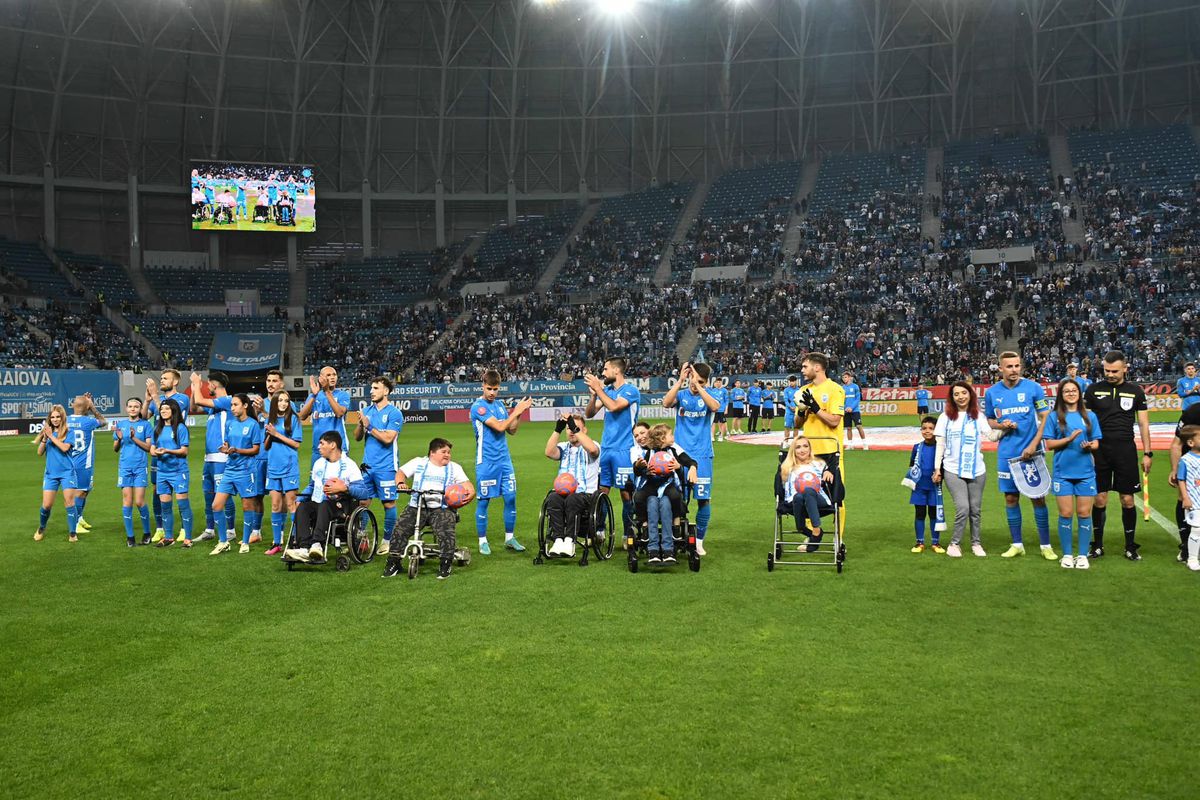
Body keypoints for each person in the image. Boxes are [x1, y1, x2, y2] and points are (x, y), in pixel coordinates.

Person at [984, 351, 1055, 560]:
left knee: (1038, 498)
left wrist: (1035, 444)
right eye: (1009, 367)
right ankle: (1017, 544)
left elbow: (1044, 416)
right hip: (1006, 453)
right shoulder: (992, 393)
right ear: (1001, 369)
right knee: (1011, 498)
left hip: (1032, 453)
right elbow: (989, 420)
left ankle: (1046, 545)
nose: (1014, 370)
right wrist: (1001, 424)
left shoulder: (1033, 388)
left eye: (1017, 366)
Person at [1083, 350, 1153, 560]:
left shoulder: (1136, 391)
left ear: (1125, 368)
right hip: (1099, 450)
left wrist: (1147, 453)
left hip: (1125, 450)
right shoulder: (1093, 390)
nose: (1110, 374)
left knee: (1127, 500)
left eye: (1114, 371)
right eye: (1107, 370)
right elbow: (1085, 421)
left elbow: (1143, 423)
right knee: (1100, 498)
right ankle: (1097, 545)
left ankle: (1130, 546)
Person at [381, 437, 474, 580]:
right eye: (444, 452)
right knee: (400, 529)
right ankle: (394, 562)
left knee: (446, 531)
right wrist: (400, 483)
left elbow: (468, 486)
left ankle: (445, 564)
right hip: (417, 506)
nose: (448, 455)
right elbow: (401, 472)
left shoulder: (454, 467)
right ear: (432, 453)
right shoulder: (419, 462)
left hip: (442, 508)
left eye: (449, 452)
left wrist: (470, 494)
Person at [1043, 379, 1102, 570]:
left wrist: (1089, 445)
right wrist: (1068, 439)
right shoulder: (1054, 417)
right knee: (1066, 513)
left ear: (1079, 393)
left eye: (1074, 390)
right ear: (1061, 394)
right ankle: (1068, 554)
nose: (1070, 393)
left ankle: (1083, 555)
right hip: (1063, 473)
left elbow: (1096, 443)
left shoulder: (1090, 417)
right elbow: (1049, 445)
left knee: (1085, 513)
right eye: (1066, 391)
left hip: (1086, 472)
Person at [471, 369, 533, 554]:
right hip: (486, 462)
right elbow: (499, 427)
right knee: (484, 501)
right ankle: (482, 541)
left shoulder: (499, 406)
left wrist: (519, 414)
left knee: (511, 498)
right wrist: (516, 410)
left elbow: (511, 430)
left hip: (504, 461)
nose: (492, 392)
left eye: (495, 389)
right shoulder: (478, 407)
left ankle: (509, 538)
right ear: (483, 386)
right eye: (489, 388)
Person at [934, 381, 998, 558]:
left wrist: (1005, 428)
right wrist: (937, 468)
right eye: (956, 394)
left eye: (964, 393)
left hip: (977, 469)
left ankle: (976, 543)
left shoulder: (978, 416)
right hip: (953, 469)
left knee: (975, 510)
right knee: (963, 508)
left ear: (970, 394)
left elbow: (992, 436)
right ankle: (954, 544)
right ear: (952, 397)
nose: (961, 396)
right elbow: (940, 444)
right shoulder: (945, 417)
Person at [287, 431, 372, 564]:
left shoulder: (349, 465)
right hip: (319, 502)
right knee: (303, 507)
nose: (318, 447)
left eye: (322, 443)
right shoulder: (319, 464)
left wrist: (345, 488)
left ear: (333, 445)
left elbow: (364, 493)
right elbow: (312, 486)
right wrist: (299, 499)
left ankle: (317, 545)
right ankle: (303, 547)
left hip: (341, 505)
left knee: (324, 505)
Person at [662, 361, 719, 555]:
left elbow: (714, 407)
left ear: (706, 382)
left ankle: (699, 541)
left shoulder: (713, 394)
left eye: (700, 381)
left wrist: (699, 385)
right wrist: (681, 381)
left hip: (703, 455)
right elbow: (665, 403)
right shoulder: (681, 394)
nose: (694, 384)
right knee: (678, 498)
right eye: (693, 380)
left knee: (703, 499)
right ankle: (677, 536)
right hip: (680, 455)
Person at [585, 357, 641, 545]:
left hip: (625, 449)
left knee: (626, 493)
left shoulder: (630, 391)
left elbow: (615, 406)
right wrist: (594, 395)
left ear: (616, 371)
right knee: (601, 492)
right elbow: (589, 414)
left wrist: (599, 389)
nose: (603, 372)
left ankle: (628, 533)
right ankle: (599, 531)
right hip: (607, 449)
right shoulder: (607, 391)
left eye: (605, 368)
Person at [633, 424, 698, 564]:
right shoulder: (648, 452)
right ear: (662, 439)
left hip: (668, 484)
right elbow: (639, 470)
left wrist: (683, 467)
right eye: (670, 434)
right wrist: (641, 469)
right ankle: (645, 527)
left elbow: (690, 461)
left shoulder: (674, 451)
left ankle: (675, 526)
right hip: (652, 485)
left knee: (674, 496)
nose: (673, 437)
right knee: (638, 497)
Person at [209, 394, 263, 555]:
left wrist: (237, 450)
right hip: (230, 470)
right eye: (231, 405)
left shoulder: (253, 425)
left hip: (246, 471)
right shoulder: (230, 424)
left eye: (235, 405)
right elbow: (228, 443)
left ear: (245, 405)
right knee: (216, 505)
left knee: (247, 506)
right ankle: (223, 541)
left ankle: (245, 542)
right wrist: (226, 448)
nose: (232, 408)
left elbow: (256, 449)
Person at [356, 376, 404, 556]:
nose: (371, 391)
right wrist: (361, 425)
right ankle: (362, 537)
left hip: (386, 467)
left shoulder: (394, 413)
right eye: (371, 388)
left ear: (386, 391)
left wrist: (369, 427)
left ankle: (387, 541)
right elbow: (357, 437)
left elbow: (388, 438)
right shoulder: (367, 410)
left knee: (388, 503)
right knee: (362, 503)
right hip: (367, 467)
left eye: (376, 388)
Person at [543, 414, 601, 557]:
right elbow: (549, 452)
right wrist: (557, 430)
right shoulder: (564, 447)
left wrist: (575, 429)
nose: (571, 431)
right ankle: (558, 540)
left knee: (573, 499)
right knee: (553, 498)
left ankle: (569, 540)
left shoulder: (593, 445)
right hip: (563, 492)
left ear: (584, 430)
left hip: (586, 494)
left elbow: (593, 450)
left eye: (575, 428)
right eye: (568, 428)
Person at [188, 371, 236, 542]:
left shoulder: (227, 401)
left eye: (209, 384)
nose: (207, 387)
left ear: (214, 384)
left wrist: (195, 384)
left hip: (221, 458)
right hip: (209, 458)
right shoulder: (215, 407)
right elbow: (194, 408)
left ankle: (230, 530)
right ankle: (210, 529)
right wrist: (196, 389)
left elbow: (200, 400)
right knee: (208, 495)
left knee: (223, 494)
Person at [144, 369, 190, 542]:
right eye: (161, 378)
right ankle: (160, 528)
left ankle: (185, 530)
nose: (161, 380)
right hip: (158, 450)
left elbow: (167, 413)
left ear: (176, 381)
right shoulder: (158, 399)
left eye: (165, 378)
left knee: (180, 494)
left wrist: (155, 396)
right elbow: (144, 416)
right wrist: (147, 399)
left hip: (174, 449)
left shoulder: (181, 399)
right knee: (157, 490)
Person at [795, 353, 846, 499]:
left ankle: (838, 523)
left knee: (836, 497)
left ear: (817, 367)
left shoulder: (835, 389)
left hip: (831, 452)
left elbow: (835, 421)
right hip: (808, 452)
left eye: (805, 366)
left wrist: (816, 408)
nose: (802, 370)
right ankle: (810, 523)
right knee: (808, 494)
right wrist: (802, 410)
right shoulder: (803, 391)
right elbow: (797, 425)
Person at [263, 390, 302, 556]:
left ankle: (294, 540)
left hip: (289, 467)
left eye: (286, 401)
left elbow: (296, 444)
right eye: (280, 401)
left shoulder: (294, 419)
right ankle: (277, 542)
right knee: (275, 505)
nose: (284, 403)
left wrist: (276, 434)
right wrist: (269, 435)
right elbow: (265, 446)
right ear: (275, 403)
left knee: (291, 504)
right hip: (273, 467)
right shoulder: (269, 420)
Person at [779, 436, 835, 553]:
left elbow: (831, 473)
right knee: (799, 496)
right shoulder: (787, 468)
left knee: (808, 490)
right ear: (793, 450)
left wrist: (829, 471)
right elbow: (784, 489)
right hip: (796, 501)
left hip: (818, 499)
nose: (802, 450)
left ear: (810, 448)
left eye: (805, 446)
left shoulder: (819, 464)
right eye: (798, 447)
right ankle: (803, 529)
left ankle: (815, 531)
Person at [150, 399, 193, 548]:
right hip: (162, 472)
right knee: (165, 506)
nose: (163, 411)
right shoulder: (157, 429)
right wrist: (156, 452)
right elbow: (152, 449)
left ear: (173, 411)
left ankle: (188, 538)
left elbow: (184, 451)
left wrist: (167, 451)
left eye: (166, 409)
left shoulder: (180, 428)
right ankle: (168, 537)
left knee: (183, 505)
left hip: (178, 471)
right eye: (162, 409)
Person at [34, 404, 79, 542]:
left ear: (62, 417)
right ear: (49, 418)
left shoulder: (69, 432)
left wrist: (51, 436)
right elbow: (40, 452)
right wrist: (44, 438)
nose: (55, 419)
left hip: (67, 473)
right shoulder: (47, 433)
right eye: (52, 417)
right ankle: (41, 527)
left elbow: (65, 448)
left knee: (70, 503)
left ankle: (72, 533)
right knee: (46, 505)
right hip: (50, 474)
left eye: (57, 416)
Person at [113, 398, 154, 547]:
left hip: (140, 468)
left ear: (140, 408)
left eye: (136, 406)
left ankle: (147, 533)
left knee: (139, 501)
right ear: (126, 408)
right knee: (127, 502)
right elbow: (115, 449)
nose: (132, 409)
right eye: (130, 406)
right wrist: (118, 440)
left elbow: (149, 448)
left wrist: (133, 438)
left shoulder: (146, 425)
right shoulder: (121, 425)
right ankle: (130, 537)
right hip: (124, 468)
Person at [66, 393, 106, 532]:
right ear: (87, 408)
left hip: (70, 460)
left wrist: (86, 404)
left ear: (72, 406)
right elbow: (103, 421)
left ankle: (80, 517)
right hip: (84, 463)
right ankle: (75, 523)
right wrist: (92, 407)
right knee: (81, 492)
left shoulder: (66, 420)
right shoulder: (89, 422)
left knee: (85, 491)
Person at [298, 366, 350, 467]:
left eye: (334, 374)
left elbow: (339, 413)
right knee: (316, 482)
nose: (332, 377)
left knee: (337, 481)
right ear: (321, 378)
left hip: (338, 448)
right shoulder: (314, 396)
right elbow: (302, 416)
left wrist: (326, 392)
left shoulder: (342, 395)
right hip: (319, 448)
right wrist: (313, 395)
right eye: (328, 375)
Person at [906, 416, 944, 553]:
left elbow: (943, 466)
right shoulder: (917, 447)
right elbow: (912, 465)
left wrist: (941, 476)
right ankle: (919, 542)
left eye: (931, 428)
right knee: (920, 514)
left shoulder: (940, 447)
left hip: (934, 487)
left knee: (934, 515)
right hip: (919, 487)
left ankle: (936, 543)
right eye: (924, 428)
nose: (927, 431)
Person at [1169, 398, 1200, 562]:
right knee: (1184, 499)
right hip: (1193, 462)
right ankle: (1186, 545)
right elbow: (1177, 444)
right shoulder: (1193, 412)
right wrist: (1175, 470)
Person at [1174, 425, 1200, 571]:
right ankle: (1192, 558)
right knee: (1196, 529)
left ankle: (1185, 552)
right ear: (1190, 443)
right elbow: (1181, 480)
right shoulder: (1186, 460)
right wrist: (1185, 497)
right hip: (1194, 500)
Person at [841, 371, 868, 451]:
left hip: (855, 410)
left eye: (845, 377)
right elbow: (842, 400)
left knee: (859, 426)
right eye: (843, 377)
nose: (844, 379)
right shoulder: (842, 388)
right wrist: (845, 408)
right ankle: (850, 444)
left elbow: (857, 399)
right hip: (846, 411)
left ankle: (865, 444)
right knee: (848, 428)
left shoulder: (855, 387)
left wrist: (851, 407)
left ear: (849, 378)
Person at [710, 377, 730, 443]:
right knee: (713, 423)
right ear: (715, 383)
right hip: (714, 409)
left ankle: (721, 436)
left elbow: (726, 400)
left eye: (719, 382)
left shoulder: (724, 391)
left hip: (722, 409)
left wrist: (726, 409)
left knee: (722, 423)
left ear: (721, 383)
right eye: (717, 382)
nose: (718, 383)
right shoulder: (713, 390)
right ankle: (712, 436)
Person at [781, 375, 800, 444]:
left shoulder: (799, 390)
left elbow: (800, 401)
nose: (791, 383)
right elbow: (786, 400)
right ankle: (786, 442)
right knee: (787, 427)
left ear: (795, 381)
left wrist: (797, 407)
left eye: (792, 381)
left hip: (797, 412)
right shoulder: (786, 390)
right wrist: (790, 407)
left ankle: (795, 443)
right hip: (789, 411)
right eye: (790, 381)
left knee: (796, 427)